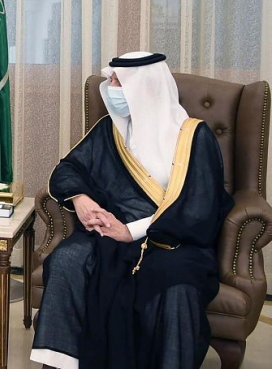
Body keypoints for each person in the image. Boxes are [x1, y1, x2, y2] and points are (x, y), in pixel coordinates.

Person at [30, 52, 232, 369]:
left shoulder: (194, 136)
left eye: (118, 82)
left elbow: (199, 210)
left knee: (176, 285)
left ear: (144, 87)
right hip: (108, 233)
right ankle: (62, 363)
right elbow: (68, 169)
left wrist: (130, 232)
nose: (110, 88)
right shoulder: (110, 130)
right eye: (111, 80)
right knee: (67, 258)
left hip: (174, 240)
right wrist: (82, 199)